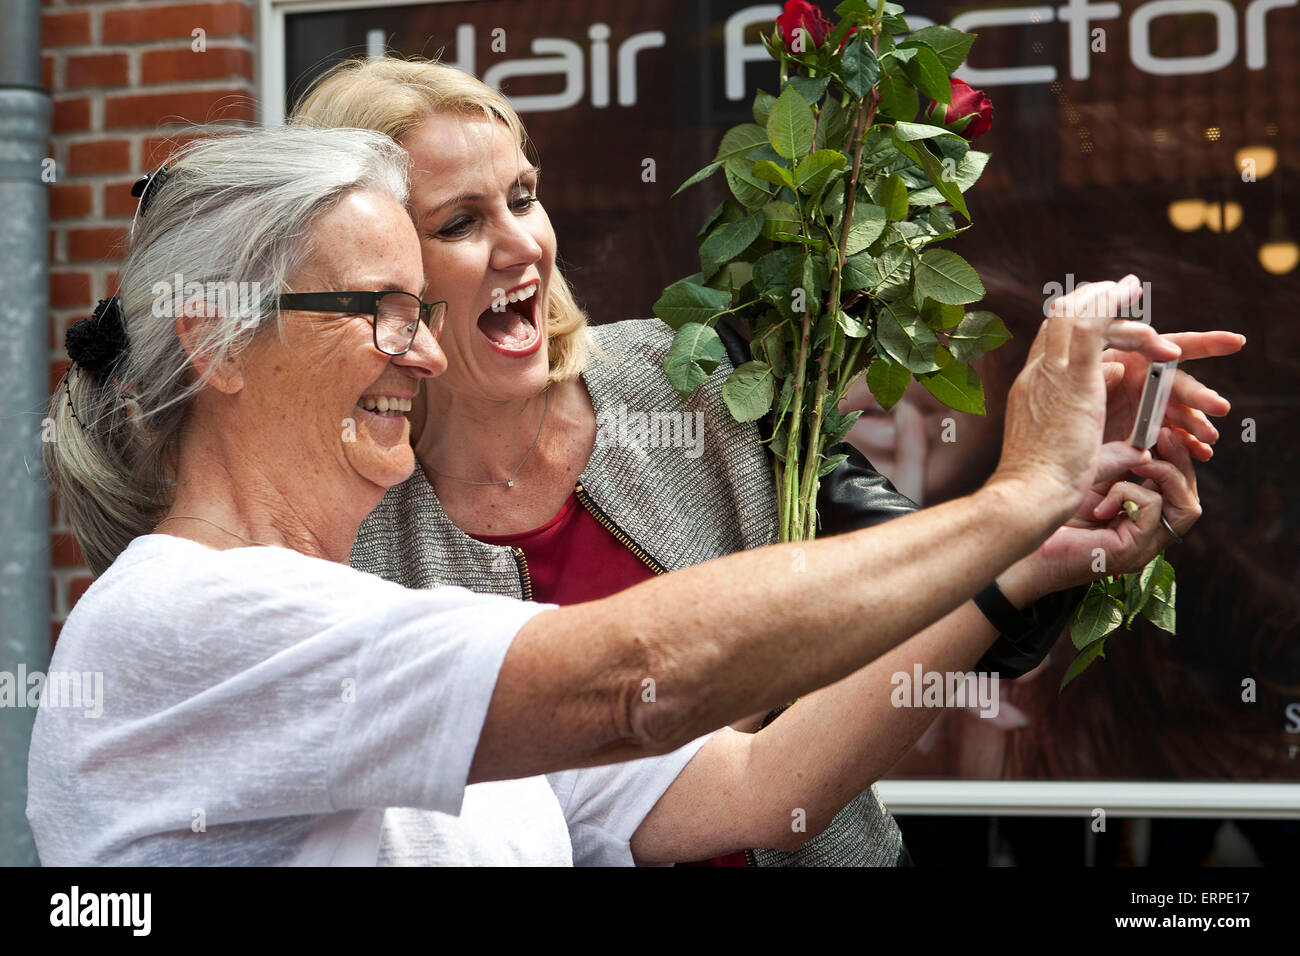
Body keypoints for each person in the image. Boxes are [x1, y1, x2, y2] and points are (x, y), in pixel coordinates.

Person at [27, 123, 1186, 867]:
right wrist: (1016, 488)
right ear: (219, 343)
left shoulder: (394, 630)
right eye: (378, 309)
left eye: (419, 314)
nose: (423, 355)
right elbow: (643, 677)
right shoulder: (174, 617)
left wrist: (1032, 551)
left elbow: (753, 783)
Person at [290, 58, 1228, 865]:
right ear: (377, 269)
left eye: (524, 198)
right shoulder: (344, 517)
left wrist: (1061, 515)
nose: (522, 244)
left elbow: (919, 577)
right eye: (460, 223)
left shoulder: (688, 370)